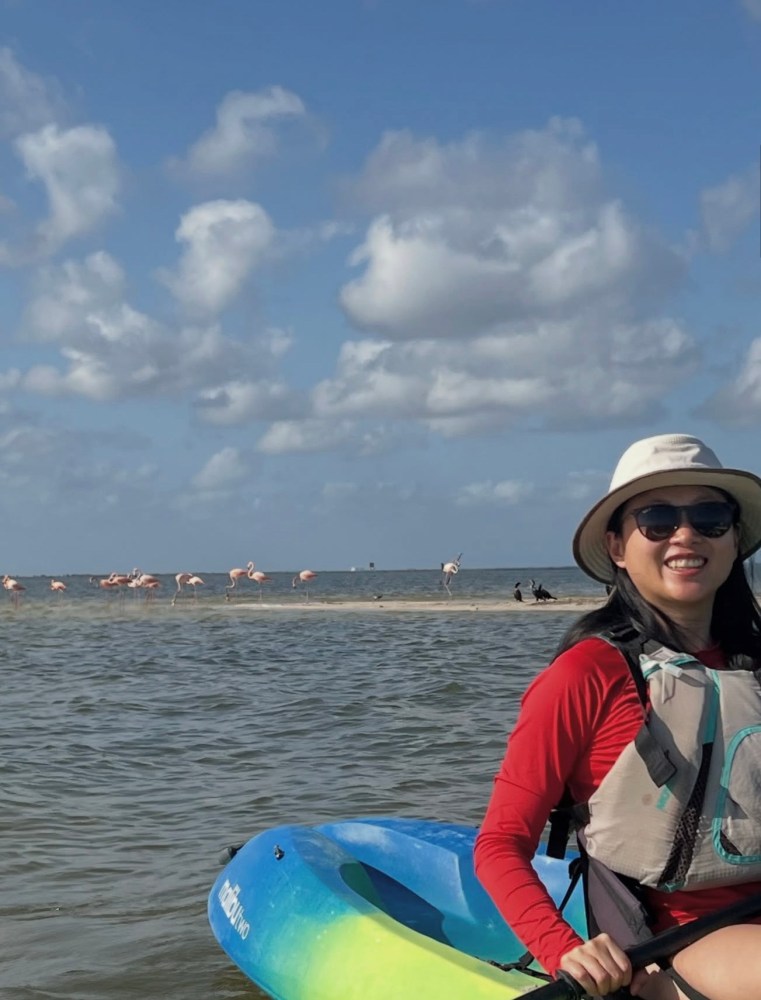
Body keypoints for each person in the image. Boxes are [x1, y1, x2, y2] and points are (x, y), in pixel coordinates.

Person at [474, 434, 761, 1000]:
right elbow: (500, 844)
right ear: (619, 548)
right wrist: (566, 951)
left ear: (733, 541)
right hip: (673, 944)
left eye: (709, 517)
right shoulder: (586, 675)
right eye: (657, 519)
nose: (686, 535)